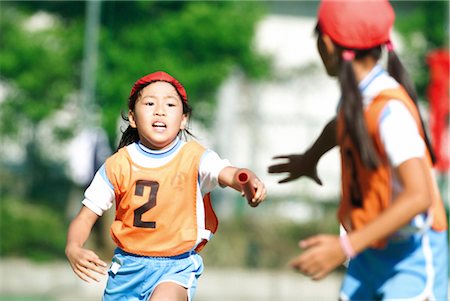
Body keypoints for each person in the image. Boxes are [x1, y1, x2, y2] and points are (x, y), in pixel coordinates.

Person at [268, 1, 448, 300]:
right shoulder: (358, 97)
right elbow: (338, 127)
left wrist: (345, 246)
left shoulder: (389, 111)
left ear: (326, 45)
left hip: (410, 256)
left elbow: (419, 197)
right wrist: (310, 158)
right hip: (371, 248)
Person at [66, 71, 267, 301]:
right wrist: (73, 246)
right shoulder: (118, 164)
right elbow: (85, 217)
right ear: (132, 117)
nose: (160, 110)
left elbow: (230, 174)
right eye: (150, 103)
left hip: (175, 268)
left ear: (183, 119)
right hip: (126, 270)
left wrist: (248, 180)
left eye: (170, 104)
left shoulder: (194, 157)